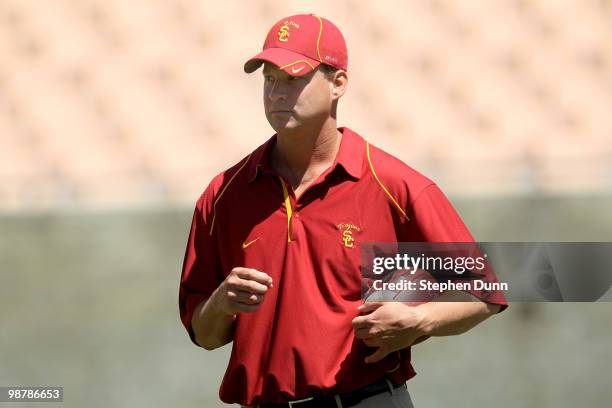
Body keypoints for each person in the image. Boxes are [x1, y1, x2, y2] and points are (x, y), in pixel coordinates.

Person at [179, 13, 507, 408]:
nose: (277, 93)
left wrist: (419, 321)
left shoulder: (393, 184)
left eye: (294, 78)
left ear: (338, 84)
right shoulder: (223, 196)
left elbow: (483, 293)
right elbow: (206, 335)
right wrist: (221, 302)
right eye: (269, 79)